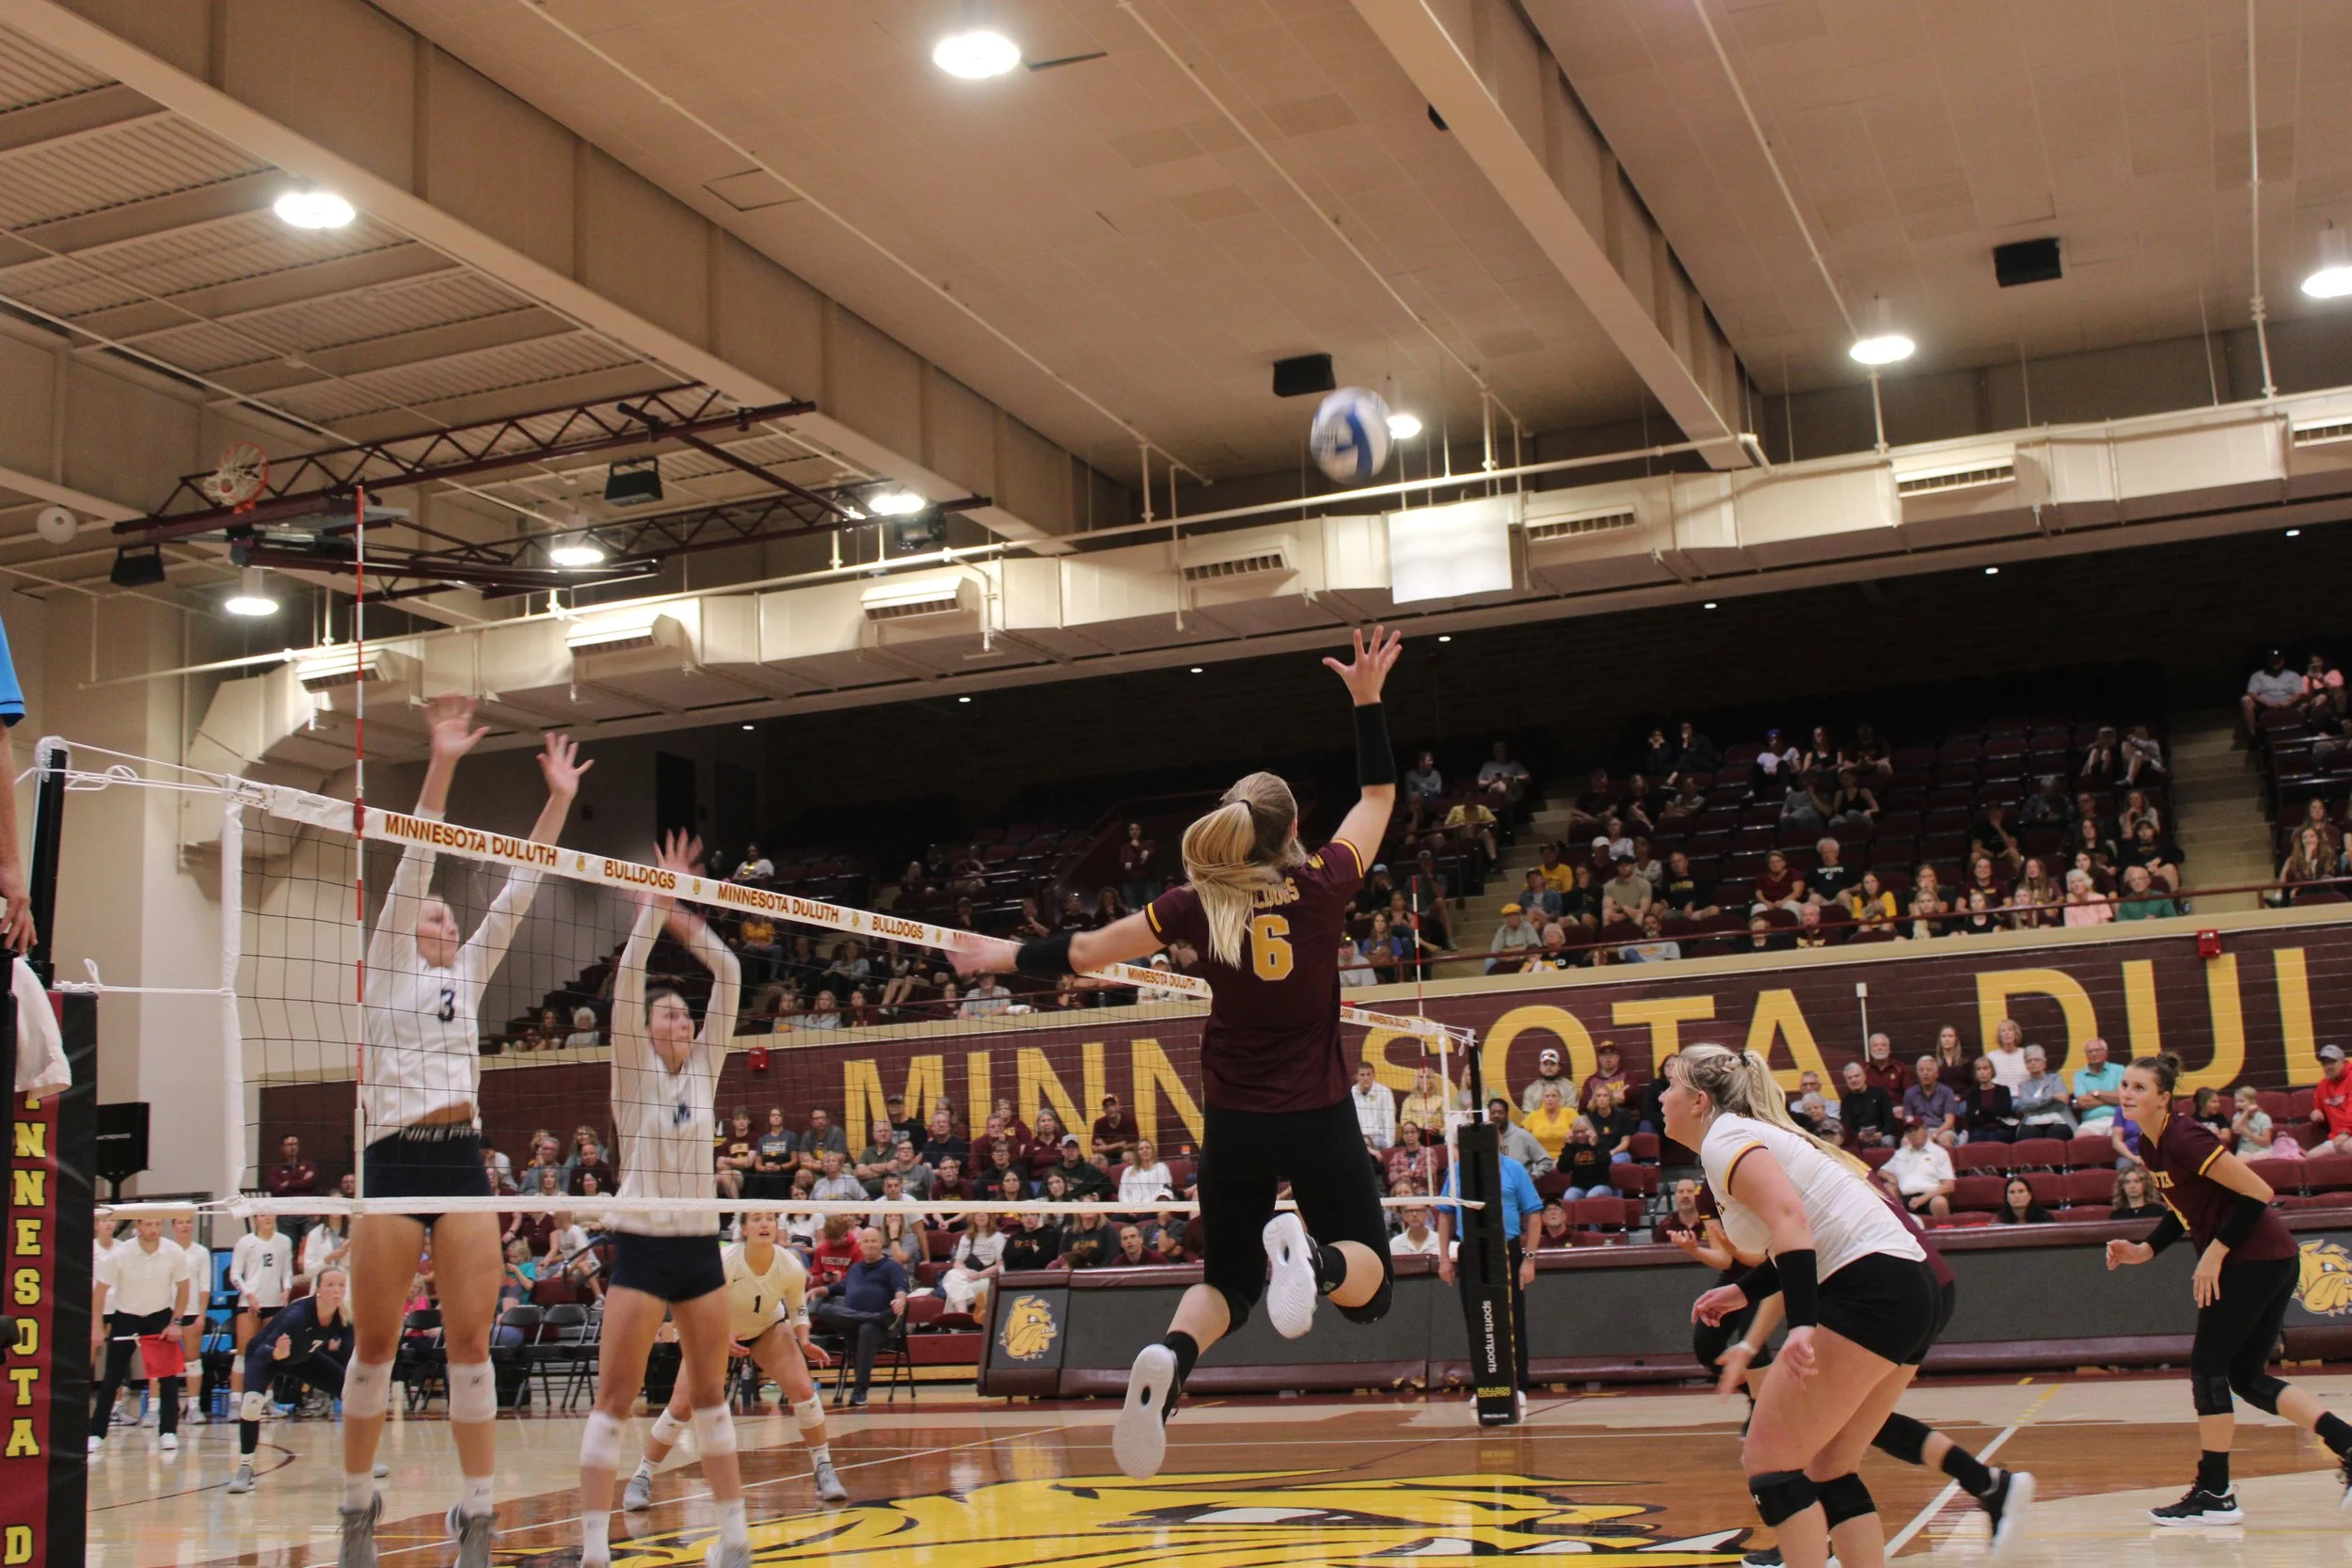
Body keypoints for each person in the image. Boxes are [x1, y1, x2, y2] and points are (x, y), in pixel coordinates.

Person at [952, 626, 1406, 1482]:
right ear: (1294, 828)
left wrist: (1005, 957)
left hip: (1236, 1119)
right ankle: (1314, 1257)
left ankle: (1167, 1361)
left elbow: (1084, 955)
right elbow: (1379, 792)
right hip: (1317, 1110)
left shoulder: (1191, 903)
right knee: (1372, 1287)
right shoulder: (1327, 880)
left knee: (1229, 1284)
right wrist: (1368, 698)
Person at [337, 700, 587, 1568]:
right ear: (406, 932)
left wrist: (555, 799)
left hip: (459, 1157)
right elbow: (419, 850)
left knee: (471, 1341)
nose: (447, 927)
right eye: (434, 921)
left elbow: (523, 881)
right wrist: (440, 762)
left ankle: (478, 1515)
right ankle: (356, 1509)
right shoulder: (386, 974)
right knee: (375, 1341)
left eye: (451, 922)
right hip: (392, 1157)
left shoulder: (469, 967)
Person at [1661, 1044, 1950, 1568]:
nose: (1661, 1098)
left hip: (1868, 1290)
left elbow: (1793, 1221)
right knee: (1829, 1466)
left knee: (1768, 1461)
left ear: (1699, 1101)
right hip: (1907, 1288)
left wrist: (1801, 1325)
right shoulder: (1744, 1138)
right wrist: (1743, 1291)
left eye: (1670, 1086)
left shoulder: (1725, 1138)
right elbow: (1803, 1233)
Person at [574, 829, 752, 1568]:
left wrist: (687, 910)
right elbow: (628, 979)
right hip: (645, 1247)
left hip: (699, 1248)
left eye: (685, 1012)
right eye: (666, 1014)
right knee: (615, 1398)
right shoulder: (632, 1073)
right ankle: (592, 1546)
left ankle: (735, 1538)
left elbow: (732, 971)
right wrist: (650, 912)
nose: (679, 1019)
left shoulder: (704, 1070)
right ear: (647, 1031)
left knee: (710, 1397)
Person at [2105, 1052, 2352, 1522]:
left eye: (2139, 1088)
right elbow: (2184, 1210)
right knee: (2246, 1377)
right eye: (2126, 1086)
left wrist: (2215, 1254)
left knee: (2208, 1369)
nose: (2129, 1094)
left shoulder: (2185, 1137)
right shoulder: (2152, 1145)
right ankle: (2347, 1443)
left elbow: (2258, 1193)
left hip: (2254, 1258)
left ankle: (2215, 1493)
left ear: (2164, 1097)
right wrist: (2146, 1250)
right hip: (2266, 1259)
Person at [622, 1211, 846, 1510]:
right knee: (680, 1406)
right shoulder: (726, 1261)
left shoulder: (790, 1264)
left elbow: (797, 1307)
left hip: (767, 1327)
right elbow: (702, 1306)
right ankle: (641, 1477)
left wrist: (804, 1340)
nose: (764, 1224)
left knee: (805, 1393)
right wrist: (721, 1334)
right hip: (711, 1330)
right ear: (743, 1229)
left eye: (769, 1218)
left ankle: (824, 1469)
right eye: (756, 1219)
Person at [225, 1266, 360, 1495]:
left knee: (352, 1395)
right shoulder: (296, 1314)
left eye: (341, 1285)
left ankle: (361, 1463)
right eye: (330, 1285)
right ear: (318, 1289)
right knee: (251, 1405)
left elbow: (349, 1356)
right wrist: (276, 1354)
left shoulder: (344, 1316)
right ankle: (245, 1468)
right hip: (266, 1357)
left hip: (302, 1358)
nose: (336, 1291)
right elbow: (261, 1349)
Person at [1434, 1136, 1545, 1411]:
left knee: (1511, 1319)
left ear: (1497, 1141)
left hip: (1505, 1250)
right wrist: (1444, 1258)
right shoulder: (1457, 1171)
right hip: (1471, 1249)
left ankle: (1518, 1385)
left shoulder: (1513, 1169)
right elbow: (1446, 1214)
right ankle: (1484, 1385)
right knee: (1475, 1318)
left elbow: (1533, 1214)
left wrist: (1529, 1259)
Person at [90, 1216, 191, 1455]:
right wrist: (96, 1327)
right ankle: (96, 1433)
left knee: (167, 1377)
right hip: (125, 1316)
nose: (153, 1229)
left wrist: (176, 1322)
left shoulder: (173, 1251)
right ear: (137, 1226)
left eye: (157, 1224)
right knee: (112, 1377)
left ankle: (168, 1431)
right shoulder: (120, 1253)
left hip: (159, 1316)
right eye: (148, 1224)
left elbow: (185, 1289)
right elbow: (99, 1294)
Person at [810, 1227, 909, 1407]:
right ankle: (871, 1317)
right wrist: (816, 1290)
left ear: (881, 1244)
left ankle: (859, 1391)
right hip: (855, 1325)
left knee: (867, 1329)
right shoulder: (855, 1269)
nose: (870, 1245)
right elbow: (836, 1288)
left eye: (874, 1241)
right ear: (860, 1245)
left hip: (883, 1328)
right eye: (866, 1241)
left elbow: (901, 1290)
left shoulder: (892, 1267)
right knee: (823, 1309)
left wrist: (900, 1301)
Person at [228, 1213, 294, 1413]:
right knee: (243, 1353)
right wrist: (249, 1295)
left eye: (270, 1214)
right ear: (256, 1218)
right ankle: (235, 1401)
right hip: (249, 1305)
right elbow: (235, 1274)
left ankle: (267, 1400)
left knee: (271, 1353)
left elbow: (287, 1271)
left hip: (274, 1304)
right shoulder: (245, 1243)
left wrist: (287, 1288)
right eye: (263, 1215)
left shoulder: (284, 1241)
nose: (267, 1218)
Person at [1880, 1122, 1955, 1219]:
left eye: (1916, 1130)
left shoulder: (1939, 1153)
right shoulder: (1901, 1153)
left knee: (1939, 1202)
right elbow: (1882, 1171)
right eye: (1909, 1131)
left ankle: (1944, 1231)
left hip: (1930, 1197)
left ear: (1924, 1130)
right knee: (1888, 1188)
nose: (1913, 1134)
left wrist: (1922, 1199)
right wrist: (1890, 1178)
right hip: (1905, 1197)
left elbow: (1949, 1186)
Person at [2307, 1044, 2352, 1155]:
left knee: (2347, 1148)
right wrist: (2316, 1112)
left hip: (2346, 1135)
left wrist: (2345, 1132)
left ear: (2343, 1062)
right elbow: (2318, 1108)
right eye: (2324, 1063)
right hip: (2337, 1137)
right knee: (2312, 1156)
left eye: (2332, 1062)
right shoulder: (2322, 1085)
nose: (2327, 1067)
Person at [2071, 1037, 2123, 1128]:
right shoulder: (2079, 1075)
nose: (2094, 1054)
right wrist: (2111, 1100)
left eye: (2097, 1050)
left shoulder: (2119, 1070)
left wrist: (2097, 1093)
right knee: (2080, 1138)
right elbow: (2082, 1102)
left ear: (2106, 1052)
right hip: (2091, 1121)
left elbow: (2122, 1098)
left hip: (2117, 1119)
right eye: (2089, 1051)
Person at [1350, 1060, 1398, 1149]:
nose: (1366, 1078)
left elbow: (1389, 1122)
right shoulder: (1351, 1093)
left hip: (1379, 1139)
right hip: (1358, 1139)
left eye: (1369, 1074)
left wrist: (1389, 1146)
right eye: (1362, 1075)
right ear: (1356, 1077)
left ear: (1374, 1076)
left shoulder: (1384, 1092)